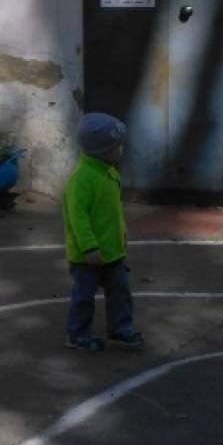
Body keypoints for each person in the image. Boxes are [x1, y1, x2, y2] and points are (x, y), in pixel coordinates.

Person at [62, 112, 144, 352]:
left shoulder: (109, 172)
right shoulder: (81, 180)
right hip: (88, 255)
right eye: (117, 147)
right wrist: (89, 247)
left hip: (112, 250)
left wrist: (122, 234)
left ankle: (120, 328)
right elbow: (78, 218)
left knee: (120, 290)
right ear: (103, 150)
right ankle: (77, 333)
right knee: (84, 296)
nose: (121, 151)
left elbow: (112, 212)